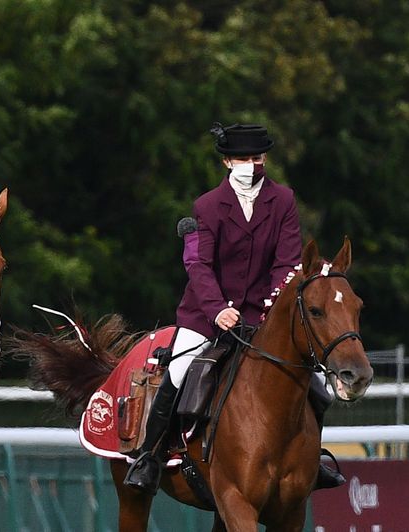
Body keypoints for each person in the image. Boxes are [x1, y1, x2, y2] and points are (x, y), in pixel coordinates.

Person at [123, 122, 345, 493]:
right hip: (206, 315)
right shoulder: (206, 206)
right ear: (227, 162)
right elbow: (198, 264)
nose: (250, 163)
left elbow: (287, 263)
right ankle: (150, 456)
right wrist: (218, 310)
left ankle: (311, 459)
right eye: (242, 158)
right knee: (178, 371)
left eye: (256, 157)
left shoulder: (284, 200)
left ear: (265, 159)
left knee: (317, 385)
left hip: (263, 315)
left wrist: (269, 310)